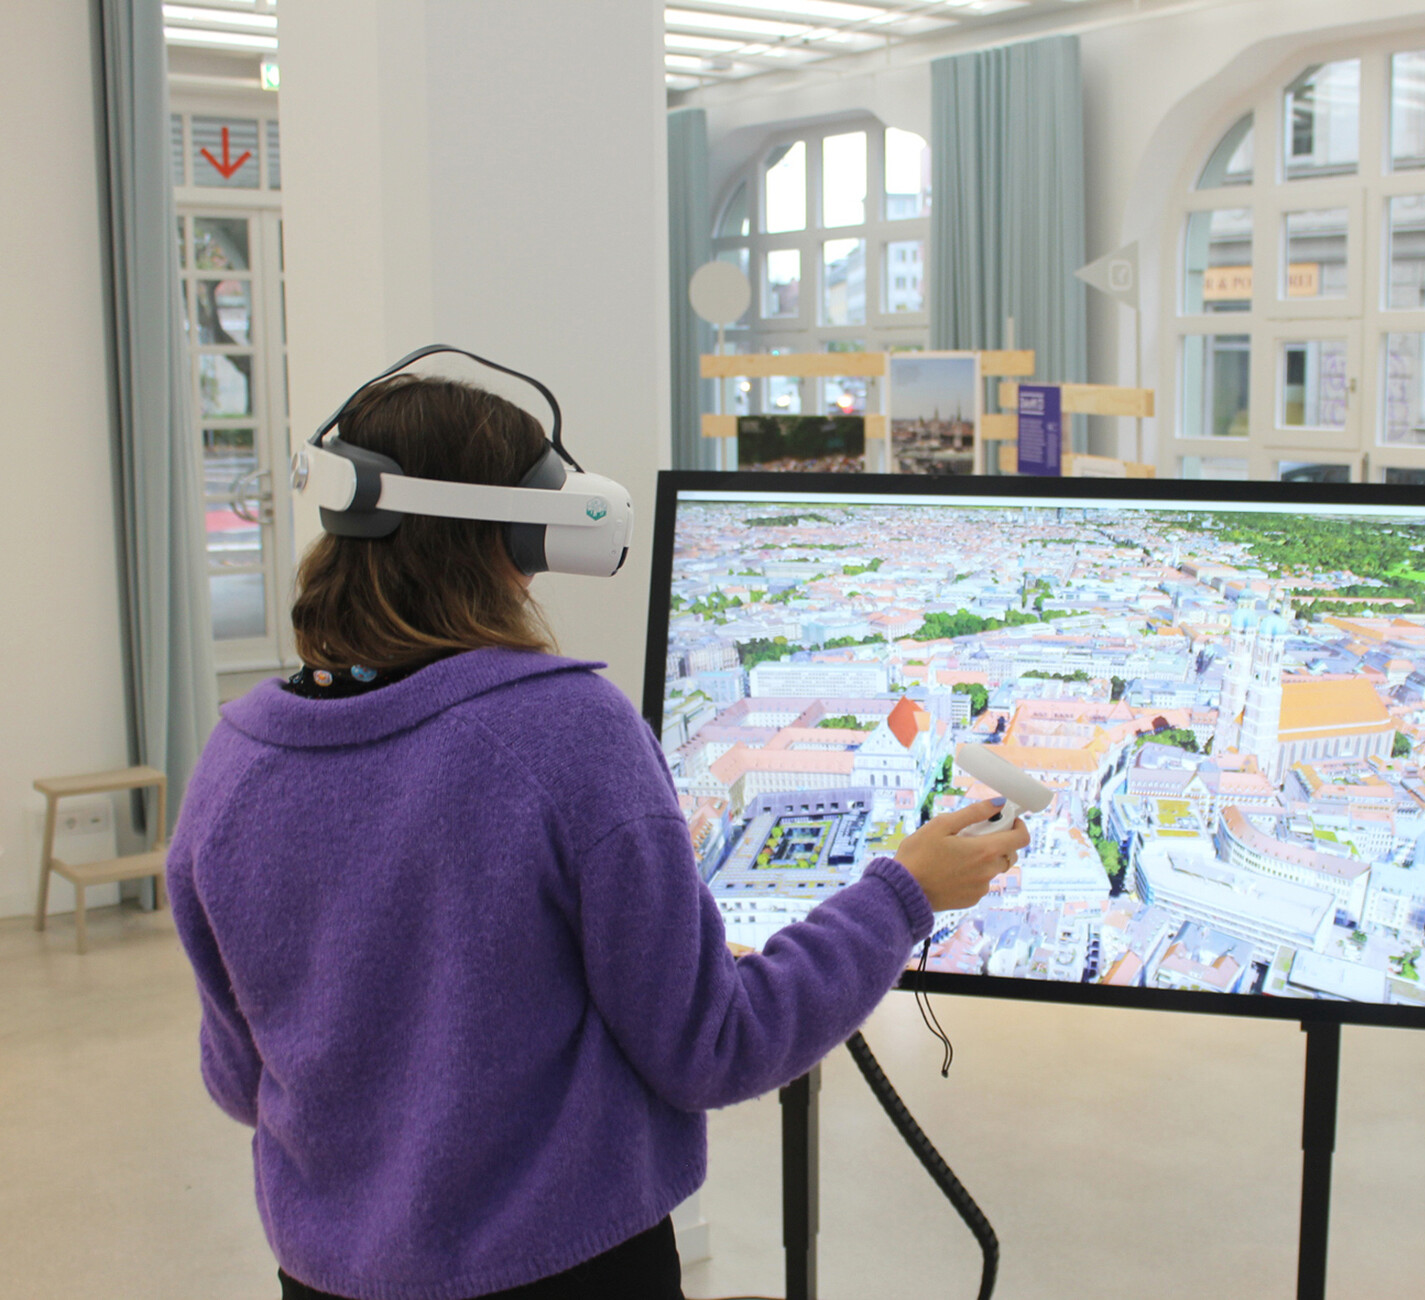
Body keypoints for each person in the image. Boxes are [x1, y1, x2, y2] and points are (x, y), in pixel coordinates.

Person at [166, 372, 1029, 1300]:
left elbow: (238, 1079)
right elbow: (716, 1046)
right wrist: (903, 894)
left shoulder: (233, 764)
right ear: (520, 538)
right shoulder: (565, 733)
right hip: (563, 1272)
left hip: (324, 1280)